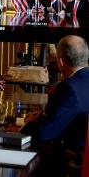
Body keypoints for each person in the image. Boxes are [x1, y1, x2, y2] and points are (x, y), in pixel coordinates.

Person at [21, 35, 89, 175]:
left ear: (61, 61)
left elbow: (45, 133)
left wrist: (27, 124)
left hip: (72, 163)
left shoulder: (68, 87)